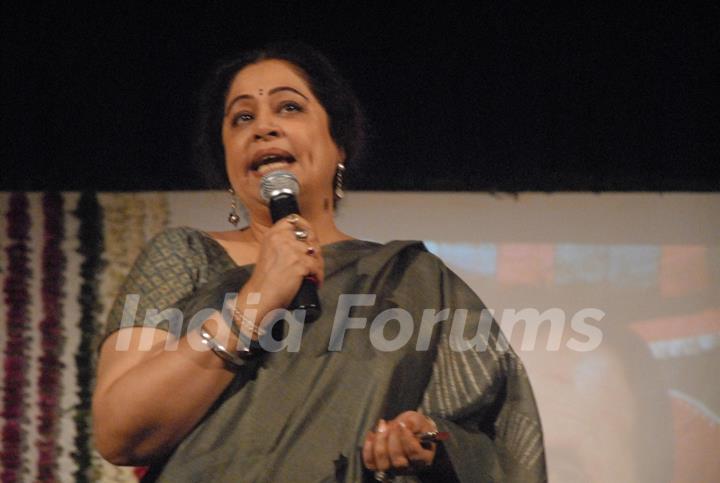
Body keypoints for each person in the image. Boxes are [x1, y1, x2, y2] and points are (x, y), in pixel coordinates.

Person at [92, 42, 547, 482]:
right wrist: (256, 302)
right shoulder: (184, 255)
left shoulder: (411, 281)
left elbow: (499, 447)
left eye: (289, 108)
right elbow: (119, 433)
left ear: (338, 144)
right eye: (242, 118)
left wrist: (429, 447)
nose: (263, 127)